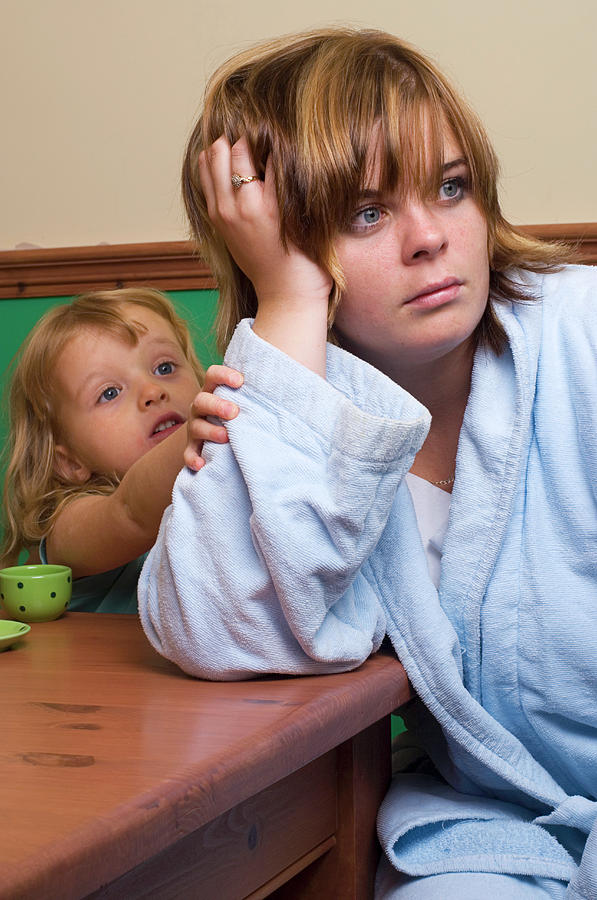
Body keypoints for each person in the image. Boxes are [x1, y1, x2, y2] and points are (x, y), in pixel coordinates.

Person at [138, 28, 597, 898]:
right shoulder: (285, 412)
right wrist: (288, 304)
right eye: (365, 213)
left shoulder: (582, 335)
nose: (429, 238)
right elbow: (217, 630)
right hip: (504, 823)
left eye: (451, 188)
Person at [1, 287, 240, 612]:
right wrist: (188, 436)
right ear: (70, 462)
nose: (153, 391)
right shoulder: (67, 529)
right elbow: (129, 512)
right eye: (110, 392)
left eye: (165, 368)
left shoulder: (226, 487)